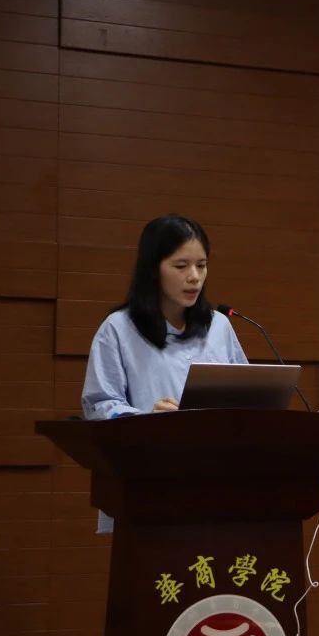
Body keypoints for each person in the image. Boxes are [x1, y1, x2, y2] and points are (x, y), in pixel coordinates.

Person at [81, 214, 248, 530]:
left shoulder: (219, 327)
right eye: (181, 266)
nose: (194, 277)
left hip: (216, 481)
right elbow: (100, 406)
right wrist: (145, 418)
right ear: (153, 268)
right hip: (148, 484)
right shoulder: (119, 329)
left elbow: (246, 397)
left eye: (201, 265)